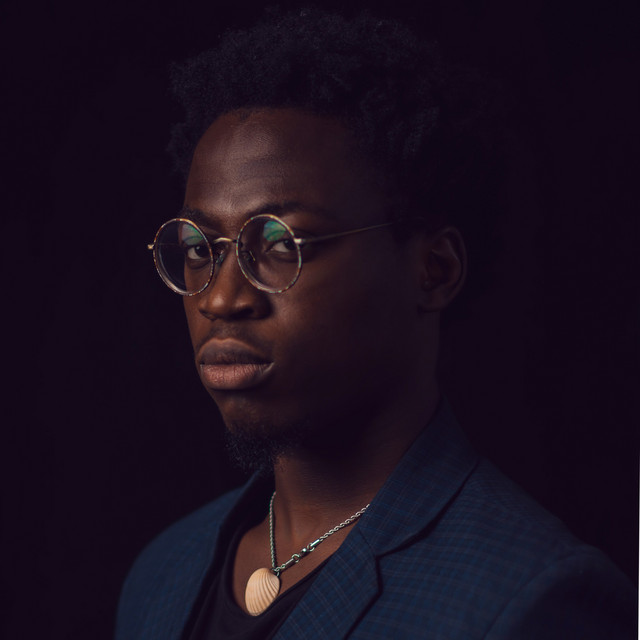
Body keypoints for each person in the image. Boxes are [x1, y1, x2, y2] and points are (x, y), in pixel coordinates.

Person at [116, 9, 635, 639]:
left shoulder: (532, 600)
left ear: (434, 270)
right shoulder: (163, 571)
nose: (221, 299)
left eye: (280, 244)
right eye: (202, 248)